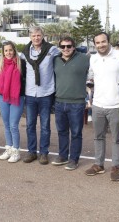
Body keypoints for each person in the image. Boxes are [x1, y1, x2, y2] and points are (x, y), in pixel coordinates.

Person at [84, 32, 119, 180]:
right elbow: (91, 77)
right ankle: (99, 165)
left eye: (103, 42)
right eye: (98, 43)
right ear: (95, 44)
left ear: (109, 41)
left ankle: (116, 167)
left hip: (116, 105)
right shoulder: (93, 58)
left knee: (117, 138)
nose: (101, 45)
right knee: (98, 137)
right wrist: (90, 88)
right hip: (98, 105)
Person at [21, 26, 59, 164]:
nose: (36, 38)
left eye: (38, 35)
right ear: (30, 37)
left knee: (45, 125)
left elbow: (66, 55)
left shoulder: (52, 50)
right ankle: (32, 152)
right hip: (30, 93)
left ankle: (44, 153)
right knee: (30, 125)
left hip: (46, 93)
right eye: (33, 35)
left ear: (42, 36)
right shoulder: (24, 52)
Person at [51, 37, 89, 170]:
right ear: (59, 47)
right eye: (63, 46)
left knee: (76, 133)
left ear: (74, 47)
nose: (66, 49)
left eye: (68, 46)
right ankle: (62, 156)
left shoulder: (84, 59)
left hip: (77, 103)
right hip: (59, 102)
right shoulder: (55, 60)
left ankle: (74, 159)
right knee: (61, 131)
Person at [0, 41, 26, 163]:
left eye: (10, 50)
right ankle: (8, 148)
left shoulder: (21, 63)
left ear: (14, 50)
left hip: (17, 97)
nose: (8, 53)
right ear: (3, 53)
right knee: (6, 124)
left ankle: (16, 151)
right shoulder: (1, 65)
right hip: (3, 97)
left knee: (13, 125)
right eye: (6, 51)